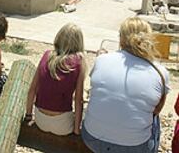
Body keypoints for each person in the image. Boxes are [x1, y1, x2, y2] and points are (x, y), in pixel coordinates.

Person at [82, 17, 169, 153]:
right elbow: (157, 110)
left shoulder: (102, 60)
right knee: (155, 120)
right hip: (135, 147)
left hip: (92, 138)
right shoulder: (160, 72)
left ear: (121, 39)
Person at [26, 23, 86, 136]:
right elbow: (79, 100)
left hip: (40, 120)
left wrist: (28, 115)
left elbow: (32, 89)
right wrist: (76, 129)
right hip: (62, 123)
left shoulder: (47, 55)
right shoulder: (79, 61)